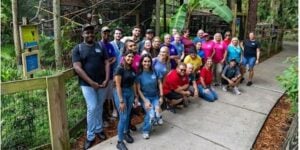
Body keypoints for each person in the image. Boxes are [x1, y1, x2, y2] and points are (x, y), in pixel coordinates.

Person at [72, 24, 109, 149]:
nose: (90, 34)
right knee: (92, 107)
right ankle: (90, 135)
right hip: (87, 85)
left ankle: (99, 129)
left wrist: (107, 78)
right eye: (87, 32)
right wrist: (91, 82)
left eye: (91, 32)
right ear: (82, 34)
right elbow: (77, 67)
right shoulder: (78, 48)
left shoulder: (100, 46)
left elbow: (107, 62)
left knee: (99, 106)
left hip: (102, 83)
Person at [113, 50, 139, 150]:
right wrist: (121, 101)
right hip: (121, 93)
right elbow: (118, 85)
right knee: (123, 117)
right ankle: (119, 142)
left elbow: (133, 84)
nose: (130, 58)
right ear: (124, 56)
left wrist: (136, 96)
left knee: (128, 115)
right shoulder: (119, 69)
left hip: (130, 93)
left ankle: (125, 133)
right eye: (129, 56)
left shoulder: (132, 69)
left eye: (132, 57)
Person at [136, 54, 164, 139]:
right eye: (145, 61)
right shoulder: (139, 74)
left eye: (148, 61)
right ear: (141, 62)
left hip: (155, 96)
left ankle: (155, 119)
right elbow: (138, 89)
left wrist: (161, 96)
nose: (147, 63)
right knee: (150, 114)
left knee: (157, 111)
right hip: (145, 97)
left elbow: (159, 83)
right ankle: (145, 130)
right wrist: (145, 101)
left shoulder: (155, 71)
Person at [99, 26, 117, 126]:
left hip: (110, 75)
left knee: (108, 97)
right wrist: (106, 63)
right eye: (104, 33)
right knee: (102, 97)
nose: (106, 35)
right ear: (101, 33)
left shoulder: (110, 45)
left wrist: (107, 63)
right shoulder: (98, 45)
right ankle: (103, 118)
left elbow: (114, 58)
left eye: (108, 33)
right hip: (102, 77)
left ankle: (107, 115)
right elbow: (100, 61)